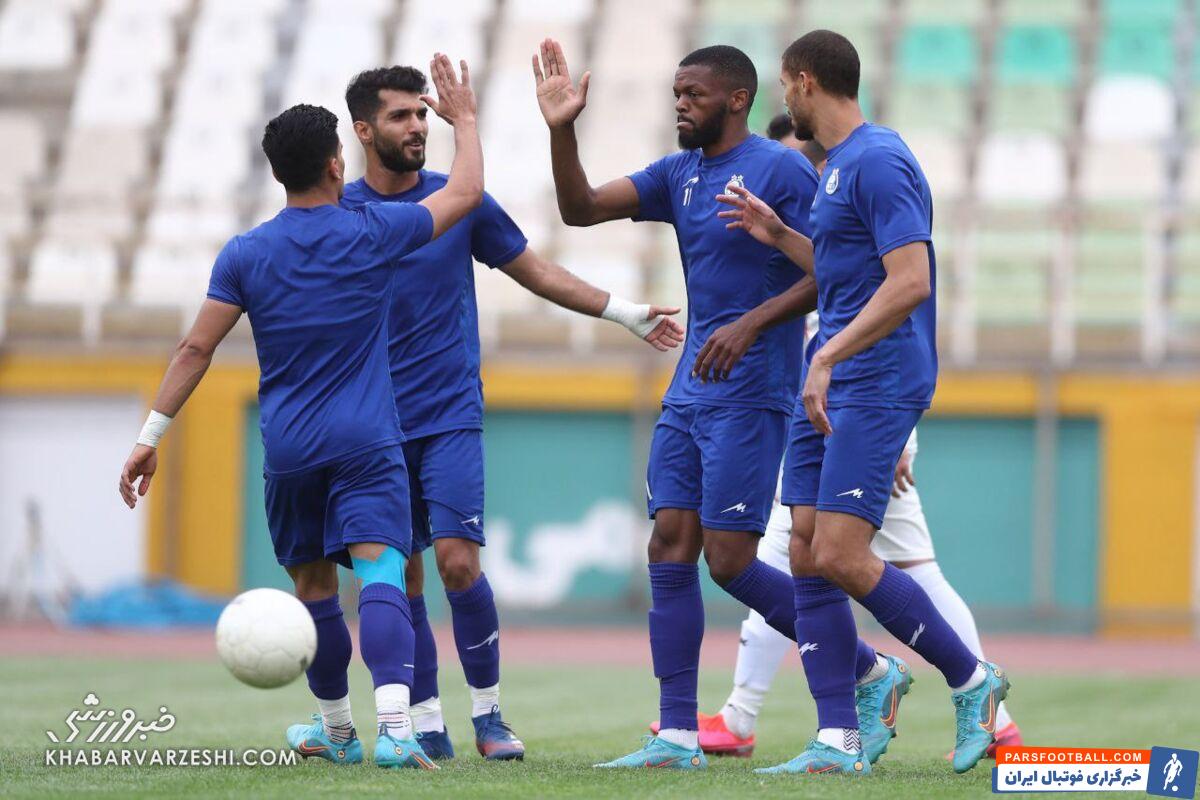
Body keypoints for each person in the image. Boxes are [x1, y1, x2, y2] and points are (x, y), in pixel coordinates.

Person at [118, 55, 481, 771]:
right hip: (367, 441)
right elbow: (465, 192)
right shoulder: (374, 231)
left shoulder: (245, 254)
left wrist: (149, 436)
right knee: (381, 574)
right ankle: (396, 731)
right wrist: (463, 120)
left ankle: (337, 731)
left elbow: (195, 348)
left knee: (314, 589)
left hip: (290, 448)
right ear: (337, 163)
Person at [339, 65, 684, 762]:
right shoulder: (340, 214)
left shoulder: (458, 201)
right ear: (364, 131)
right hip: (373, 424)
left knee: (458, 563)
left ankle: (489, 715)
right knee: (401, 576)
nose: (418, 126)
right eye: (402, 116)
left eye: (422, 114)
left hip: (449, 413)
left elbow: (536, 269)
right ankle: (425, 721)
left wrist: (623, 312)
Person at [674, 112, 1021, 761]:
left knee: (838, 557)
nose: (778, 176)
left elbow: (904, 285)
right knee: (810, 552)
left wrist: (893, 431)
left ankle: (970, 687)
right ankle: (836, 730)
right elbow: (840, 282)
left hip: (864, 398)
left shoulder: (866, 169)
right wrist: (778, 234)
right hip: (827, 396)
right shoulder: (820, 204)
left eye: (788, 164)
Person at [532, 38, 822, 770]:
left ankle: (866, 668)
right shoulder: (678, 173)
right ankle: (676, 734)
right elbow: (579, 208)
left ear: (736, 99)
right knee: (668, 543)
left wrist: (751, 324)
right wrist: (562, 129)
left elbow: (836, 270)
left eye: (694, 95)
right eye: (675, 95)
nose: (680, 106)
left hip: (754, 390)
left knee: (731, 561)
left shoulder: (783, 169)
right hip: (690, 390)